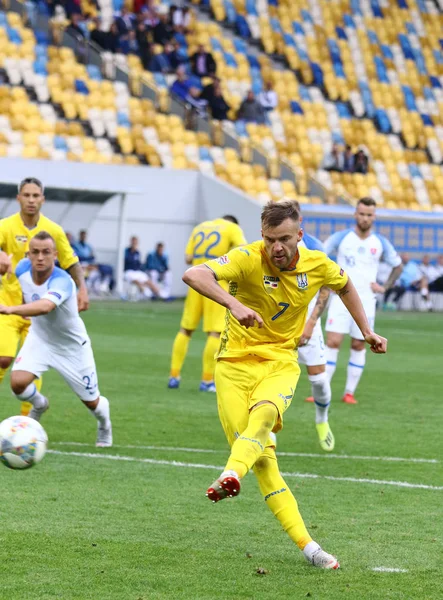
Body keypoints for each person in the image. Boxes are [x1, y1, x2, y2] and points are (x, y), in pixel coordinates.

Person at [182, 200, 387, 568]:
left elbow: (345, 285)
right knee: (264, 465)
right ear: (263, 235)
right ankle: (310, 548)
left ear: (300, 235)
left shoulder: (317, 263)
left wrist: (367, 331)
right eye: (270, 239)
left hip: (280, 362)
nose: (276, 247)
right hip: (232, 366)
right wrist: (234, 305)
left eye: (285, 239)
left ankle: (230, 473)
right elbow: (195, 275)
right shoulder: (247, 257)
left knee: (265, 416)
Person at [0, 232, 112, 447]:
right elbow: (28, 293)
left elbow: (45, 306)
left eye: (46, 252)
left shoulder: (63, 281)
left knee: (92, 403)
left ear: (56, 255)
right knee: (18, 384)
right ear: (28, 254)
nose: (40, 257)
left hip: (71, 348)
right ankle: (40, 404)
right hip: (40, 339)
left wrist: (11, 309)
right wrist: (23, 306)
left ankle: (104, 424)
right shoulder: (22, 268)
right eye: (35, 252)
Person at [0, 177, 88, 416]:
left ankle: (28, 418)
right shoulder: (5, 226)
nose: (31, 200)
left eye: (35, 196)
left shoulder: (54, 231)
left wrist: (82, 289)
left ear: (42, 199)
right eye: (26, 195)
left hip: (40, 313)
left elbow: (71, 261)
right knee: (3, 358)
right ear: (18, 198)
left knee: (31, 367)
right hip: (8, 306)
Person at [324, 197, 402, 404]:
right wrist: (327, 282)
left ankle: (349, 392)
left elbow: (398, 265)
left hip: (366, 300)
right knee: (332, 341)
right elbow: (320, 256)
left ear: (374, 217)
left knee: (359, 344)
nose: (365, 218)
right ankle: (321, 391)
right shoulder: (341, 238)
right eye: (362, 214)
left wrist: (384, 286)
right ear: (355, 214)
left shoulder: (380, 242)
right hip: (341, 297)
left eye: (369, 215)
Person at [168, 216, 246, 392]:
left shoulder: (199, 227)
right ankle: (207, 380)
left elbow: (188, 258)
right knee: (215, 333)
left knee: (185, 330)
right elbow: (242, 251)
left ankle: (174, 376)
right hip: (215, 285)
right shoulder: (232, 228)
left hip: (194, 283)